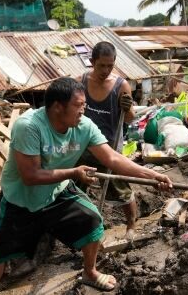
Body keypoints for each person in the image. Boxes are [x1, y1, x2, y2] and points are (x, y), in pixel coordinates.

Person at [0, 78, 172, 294]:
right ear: (57, 106)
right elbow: (30, 176)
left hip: (56, 192)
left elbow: (112, 158)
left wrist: (153, 175)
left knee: (92, 221)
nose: (84, 109)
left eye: (84, 104)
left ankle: (89, 272)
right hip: (20, 199)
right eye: (78, 105)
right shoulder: (29, 126)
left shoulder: (84, 126)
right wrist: (74, 172)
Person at [75, 41, 138, 239]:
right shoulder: (82, 82)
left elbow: (129, 119)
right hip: (84, 147)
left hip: (109, 147)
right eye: (101, 65)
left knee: (120, 189)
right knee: (75, 189)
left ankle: (131, 226)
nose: (105, 70)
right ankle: (82, 230)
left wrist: (126, 107)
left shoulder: (121, 86)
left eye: (110, 65)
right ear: (92, 62)